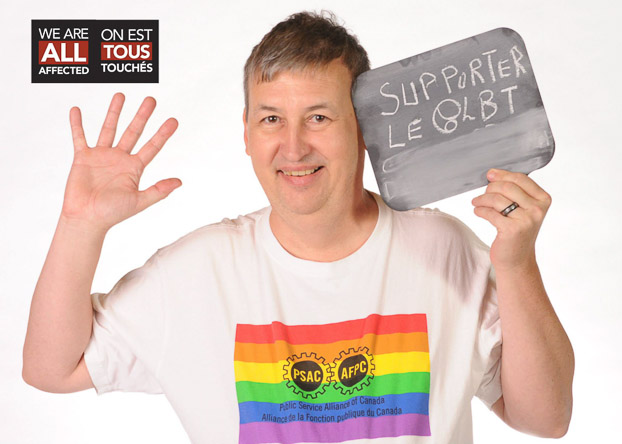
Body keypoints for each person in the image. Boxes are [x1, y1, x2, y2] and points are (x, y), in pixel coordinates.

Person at [23, 11, 574, 444]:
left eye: (318, 117)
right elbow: (52, 369)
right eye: (271, 119)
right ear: (246, 133)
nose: (293, 147)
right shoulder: (196, 272)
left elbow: (546, 418)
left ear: (364, 128)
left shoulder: (444, 249)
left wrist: (517, 264)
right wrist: (80, 225)